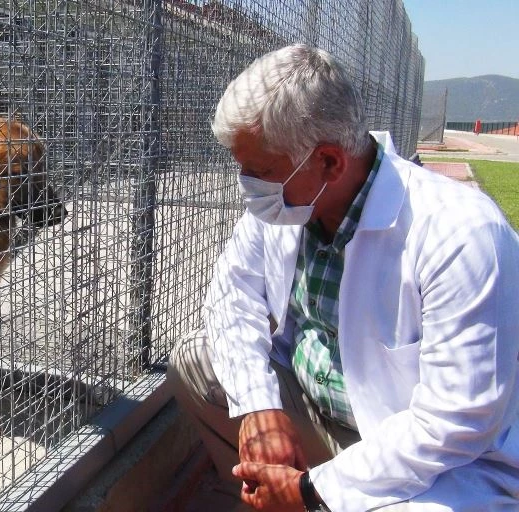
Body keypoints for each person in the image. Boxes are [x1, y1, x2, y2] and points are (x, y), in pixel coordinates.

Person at [167, 44, 519, 512]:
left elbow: (455, 422)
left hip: (435, 461)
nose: (248, 185)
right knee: (197, 361)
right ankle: (269, 496)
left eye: (261, 171)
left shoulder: (461, 234)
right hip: (321, 415)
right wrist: (259, 408)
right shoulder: (289, 204)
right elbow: (233, 296)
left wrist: (310, 490)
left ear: (330, 162)